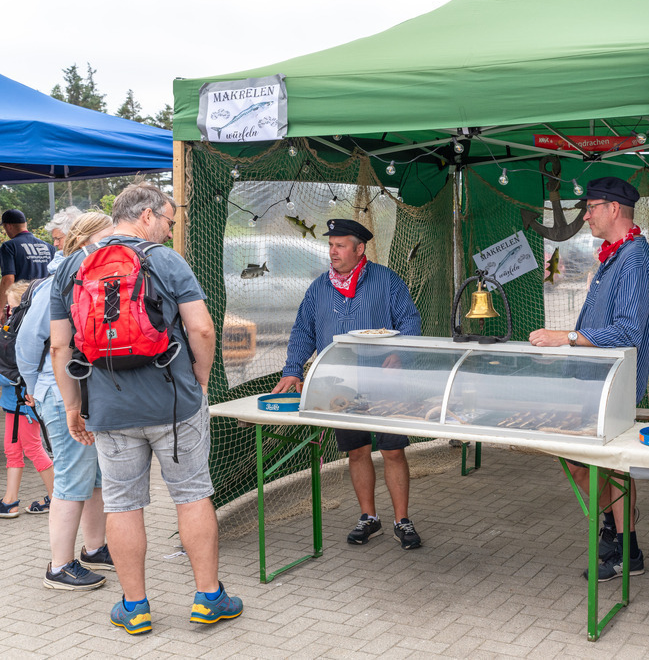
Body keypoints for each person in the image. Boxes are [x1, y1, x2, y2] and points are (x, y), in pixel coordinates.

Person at [50, 182, 241, 635]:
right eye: (169, 221)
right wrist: (198, 380)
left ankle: (135, 607)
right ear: (147, 215)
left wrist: (73, 407)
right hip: (174, 404)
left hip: (110, 411)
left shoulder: (71, 267)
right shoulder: (166, 261)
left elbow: (60, 347)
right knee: (192, 494)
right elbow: (203, 331)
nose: (169, 230)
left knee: (122, 504)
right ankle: (208, 598)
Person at [528, 176, 649, 582]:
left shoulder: (636, 258)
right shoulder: (616, 255)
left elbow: (627, 331)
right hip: (595, 379)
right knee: (580, 457)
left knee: (612, 463)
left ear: (614, 209)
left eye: (590, 207)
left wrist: (565, 337)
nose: (585, 215)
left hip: (615, 382)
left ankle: (628, 549)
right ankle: (612, 527)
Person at [271, 218, 424, 550]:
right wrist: (293, 369)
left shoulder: (386, 281)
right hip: (340, 386)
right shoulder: (319, 288)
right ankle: (369, 518)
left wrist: (401, 354)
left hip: (385, 385)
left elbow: (410, 320)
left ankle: (402, 520)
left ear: (359, 248)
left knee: (393, 450)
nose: (333, 251)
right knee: (357, 451)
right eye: (330, 245)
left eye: (340, 245)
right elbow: (303, 331)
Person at [18, 212, 115, 591]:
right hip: (61, 394)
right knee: (72, 479)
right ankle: (59, 566)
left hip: (80, 393)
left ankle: (94, 548)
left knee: (93, 478)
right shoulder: (57, 283)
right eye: (106, 240)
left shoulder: (89, 277)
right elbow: (30, 345)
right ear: (85, 239)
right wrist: (38, 388)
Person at [0, 281, 55, 518]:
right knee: (13, 449)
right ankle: (10, 500)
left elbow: (18, 372)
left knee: (33, 448)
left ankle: (57, 497)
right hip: (14, 403)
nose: (10, 313)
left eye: (13, 307)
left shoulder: (25, 335)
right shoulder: (12, 331)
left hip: (25, 402)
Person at [1, 209, 55, 312]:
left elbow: (8, 279)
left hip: (21, 303)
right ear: (25, 224)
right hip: (45, 302)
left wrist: (0, 309)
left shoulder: (9, 246)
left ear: (8, 226)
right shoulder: (49, 247)